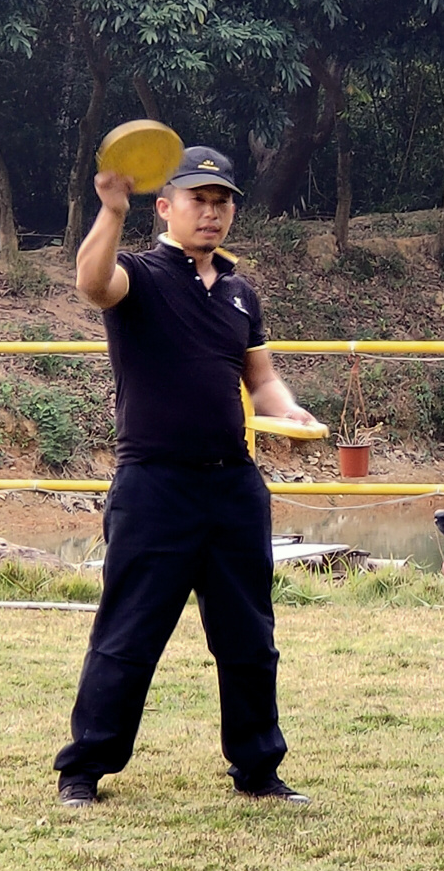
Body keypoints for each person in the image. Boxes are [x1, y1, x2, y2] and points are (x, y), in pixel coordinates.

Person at [55, 145, 322, 807]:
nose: (211, 213)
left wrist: (288, 410)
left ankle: (258, 769)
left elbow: (260, 381)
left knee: (250, 640)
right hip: (154, 486)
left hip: (233, 487)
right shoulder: (139, 277)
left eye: (222, 201)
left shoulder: (239, 293)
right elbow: (92, 284)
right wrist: (110, 210)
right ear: (166, 207)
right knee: (128, 635)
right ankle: (83, 771)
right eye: (198, 201)